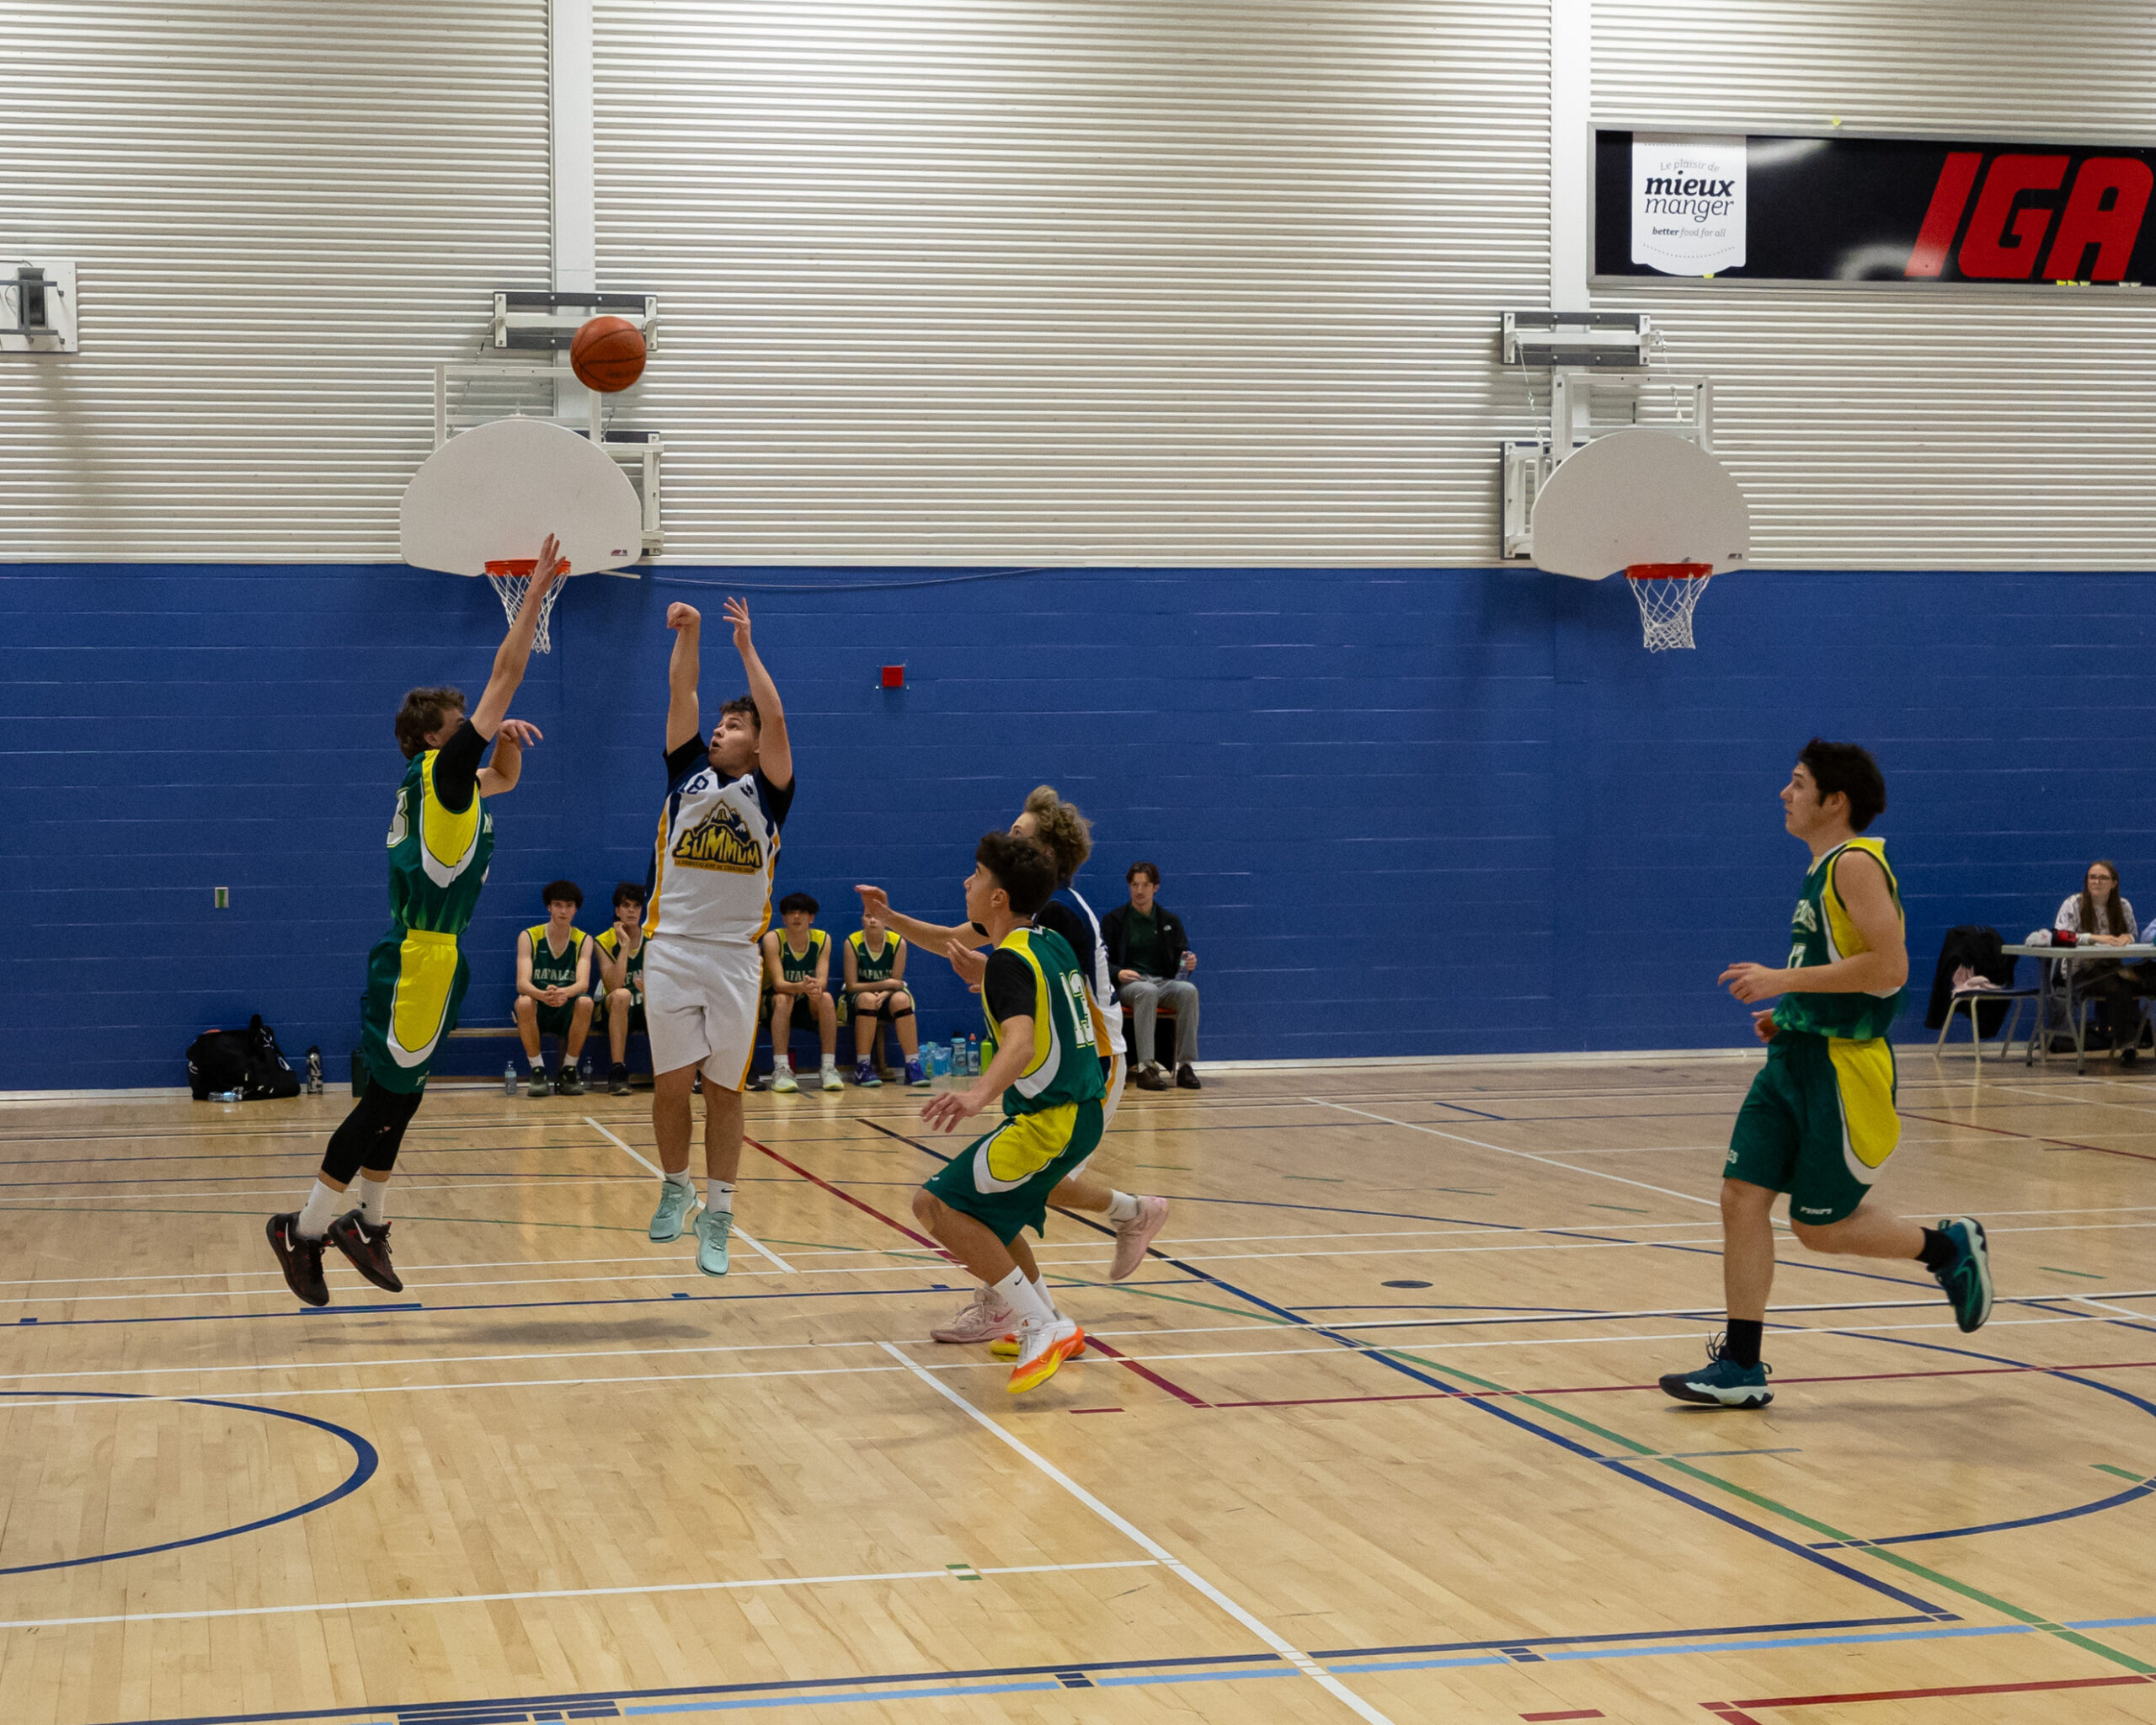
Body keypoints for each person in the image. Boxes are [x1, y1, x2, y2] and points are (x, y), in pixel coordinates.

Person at [266, 538, 563, 1306]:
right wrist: (533, 594)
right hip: (416, 958)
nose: (475, 727)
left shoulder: (446, 783)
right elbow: (506, 674)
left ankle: (368, 1220)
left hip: (439, 957)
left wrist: (508, 741)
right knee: (382, 1102)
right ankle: (303, 1230)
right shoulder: (443, 771)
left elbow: (503, 778)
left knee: (405, 1099)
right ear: (437, 736)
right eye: (463, 723)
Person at [1660, 740, 1993, 1409]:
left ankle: (1946, 1248)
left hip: (1842, 1072)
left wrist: (1782, 982)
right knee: (1739, 1197)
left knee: (1819, 1229)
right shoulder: (1821, 868)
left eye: (1797, 783)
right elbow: (1843, 968)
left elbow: (1890, 970)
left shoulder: (1855, 865)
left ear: (1834, 801)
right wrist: (1792, 1013)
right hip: (1795, 1059)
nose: (1784, 794)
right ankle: (1742, 1367)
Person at [857, 782, 1168, 1348]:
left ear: (1043, 853)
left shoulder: (1058, 917)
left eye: (1019, 834)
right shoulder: (1028, 924)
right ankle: (1039, 1305)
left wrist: (979, 1086)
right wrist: (890, 917)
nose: (1009, 837)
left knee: (991, 1196)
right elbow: (963, 947)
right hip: (1060, 1070)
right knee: (1013, 1191)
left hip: (1088, 1063)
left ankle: (1034, 1310)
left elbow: (1040, 1016)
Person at [911, 832, 1103, 1393]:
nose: (966, 882)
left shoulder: (1007, 963)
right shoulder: (1048, 942)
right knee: (990, 1215)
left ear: (998, 897)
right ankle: (1052, 1320)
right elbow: (1051, 1010)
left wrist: (977, 1095)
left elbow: (1021, 1042)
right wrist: (987, 975)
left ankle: (1042, 1323)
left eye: (975, 874)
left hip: (1050, 1118)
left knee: (935, 1204)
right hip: (1079, 1112)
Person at [640, 596, 794, 1277]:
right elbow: (683, 690)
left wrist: (747, 646)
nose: (719, 732)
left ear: (756, 746)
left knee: (725, 1092)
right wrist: (694, 632)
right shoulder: (685, 773)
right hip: (672, 947)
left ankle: (720, 1214)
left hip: (735, 957)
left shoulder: (772, 790)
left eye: (733, 727)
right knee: (672, 1085)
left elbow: (778, 718)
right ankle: (677, 1187)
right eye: (721, 724)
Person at [1102, 862, 1200, 1090]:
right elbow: (1100, 961)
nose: (1139, 891)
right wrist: (1118, 972)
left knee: (1188, 991)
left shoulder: (1169, 921)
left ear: (1156, 887)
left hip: (1162, 982)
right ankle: (1146, 1067)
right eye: (1135, 885)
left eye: (1145, 885)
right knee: (1146, 991)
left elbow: (1181, 959)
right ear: (1129, 886)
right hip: (1131, 984)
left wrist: (1188, 963)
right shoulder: (1113, 920)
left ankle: (1185, 1066)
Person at [2052, 860, 2153, 1065]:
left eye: (2102, 878)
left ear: (2114, 883)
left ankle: (2133, 1039)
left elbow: (2132, 933)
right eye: (2092, 877)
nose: (2096, 881)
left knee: (2137, 978)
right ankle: (2127, 1045)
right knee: (2118, 986)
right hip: (2081, 971)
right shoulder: (2073, 903)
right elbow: (2060, 936)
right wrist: (2096, 938)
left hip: (2112, 968)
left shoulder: (2123, 906)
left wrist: (2127, 938)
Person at [513, 880, 594, 1095]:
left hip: (566, 1006)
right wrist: (543, 995)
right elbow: (522, 983)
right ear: (549, 907)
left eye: (569, 906)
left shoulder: (584, 940)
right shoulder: (529, 936)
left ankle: (569, 1070)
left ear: (576, 909)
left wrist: (562, 993)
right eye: (558, 905)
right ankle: (538, 1070)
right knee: (523, 1002)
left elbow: (583, 983)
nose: (563, 911)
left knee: (586, 1002)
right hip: (540, 1005)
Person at [762, 891, 841, 1092]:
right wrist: (801, 987)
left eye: (802, 912)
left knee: (826, 998)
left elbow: (822, 982)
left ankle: (828, 1067)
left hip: (806, 1000)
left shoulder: (823, 939)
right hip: (775, 1004)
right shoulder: (773, 938)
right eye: (791, 912)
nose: (796, 917)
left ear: (811, 917)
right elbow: (779, 983)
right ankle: (781, 1068)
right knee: (784, 999)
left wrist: (813, 988)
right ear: (784, 918)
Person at [843, 908, 926, 1087]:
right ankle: (863, 1066)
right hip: (859, 997)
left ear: (886, 921)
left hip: (888, 995)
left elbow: (896, 982)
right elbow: (851, 986)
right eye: (868, 916)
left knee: (902, 1000)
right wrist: (885, 985)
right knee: (868, 1000)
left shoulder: (898, 942)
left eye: (877, 916)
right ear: (862, 920)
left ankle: (913, 1065)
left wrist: (885, 992)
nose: (873, 920)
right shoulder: (852, 942)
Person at [594, 881, 648, 1094]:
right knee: (622, 994)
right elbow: (613, 986)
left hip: (645, 1006)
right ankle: (618, 1070)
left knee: (661, 999)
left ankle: (667, 1071)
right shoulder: (604, 941)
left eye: (636, 906)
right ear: (617, 911)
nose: (632, 910)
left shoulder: (653, 938)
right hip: (614, 1009)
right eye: (626, 905)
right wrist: (624, 946)